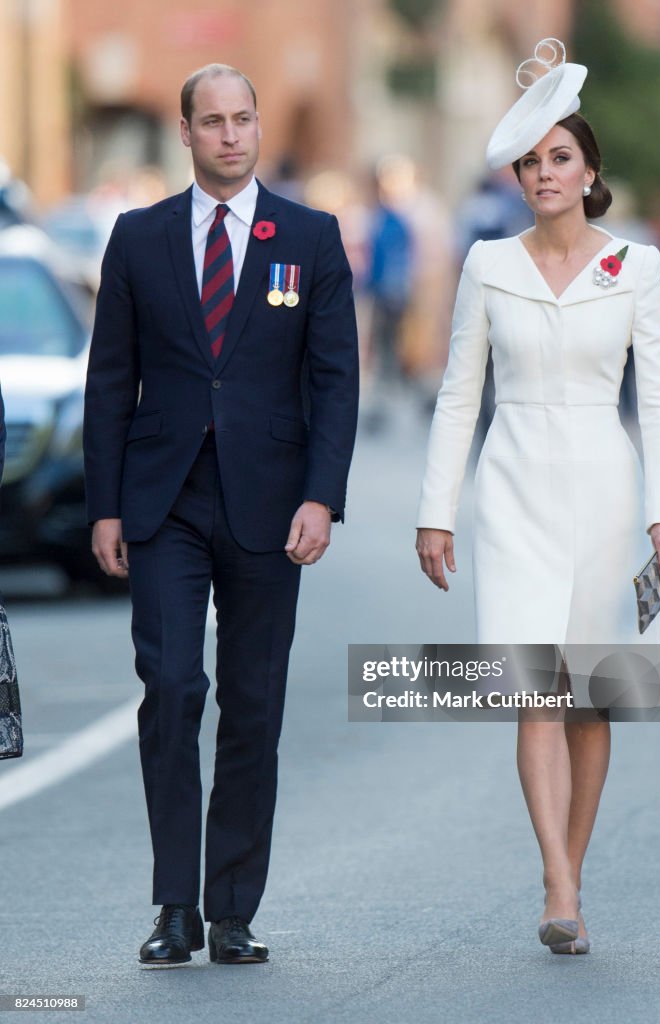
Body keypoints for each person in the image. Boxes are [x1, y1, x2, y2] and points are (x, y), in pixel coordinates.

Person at [415, 39, 660, 955]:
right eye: (530, 161)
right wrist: (435, 510)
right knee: (536, 688)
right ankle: (558, 885)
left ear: (589, 170)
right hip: (515, 486)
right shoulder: (489, 264)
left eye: (559, 157)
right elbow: (460, 393)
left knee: (591, 697)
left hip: (608, 491)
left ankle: (570, 868)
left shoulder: (636, 267)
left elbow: (658, 398)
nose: (544, 173)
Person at [83, 63, 359, 967]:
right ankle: (174, 906)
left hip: (271, 505)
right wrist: (105, 505)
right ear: (186, 132)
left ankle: (232, 906)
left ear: (258, 127)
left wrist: (322, 496)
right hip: (163, 501)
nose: (231, 135)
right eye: (214, 122)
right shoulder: (138, 237)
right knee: (170, 690)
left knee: (253, 704)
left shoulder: (310, 239)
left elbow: (334, 379)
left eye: (244, 119)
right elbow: (110, 380)